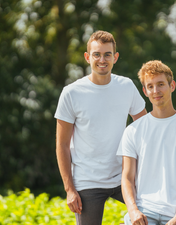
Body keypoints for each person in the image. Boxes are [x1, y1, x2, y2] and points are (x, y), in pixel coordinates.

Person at [54, 30, 147, 225]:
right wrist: (70, 189)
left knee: (153, 216)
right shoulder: (71, 93)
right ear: (88, 57)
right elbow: (62, 145)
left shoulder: (127, 87)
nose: (102, 59)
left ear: (115, 57)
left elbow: (145, 130)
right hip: (88, 181)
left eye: (107, 54)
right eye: (97, 54)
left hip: (124, 177)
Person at [117, 60, 176, 225]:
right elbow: (127, 178)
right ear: (145, 91)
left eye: (161, 84)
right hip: (144, 212)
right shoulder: (133, 131)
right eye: (150, 86)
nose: (156, 91)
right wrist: (133, 211)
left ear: (172, 86)